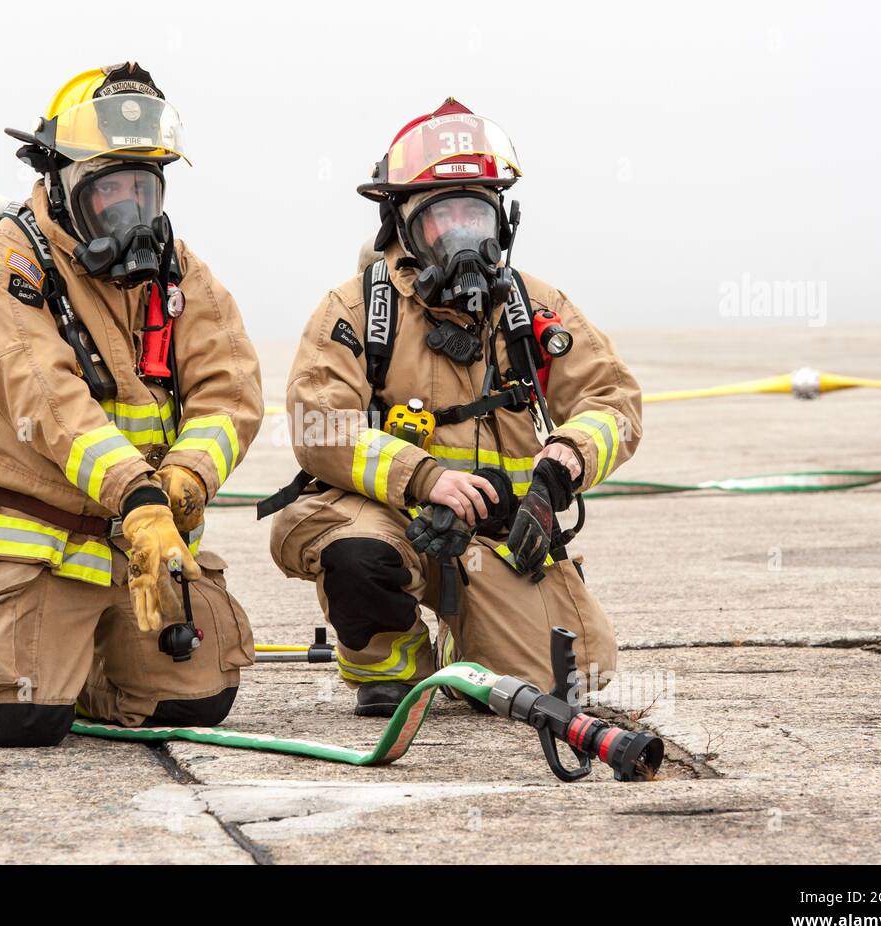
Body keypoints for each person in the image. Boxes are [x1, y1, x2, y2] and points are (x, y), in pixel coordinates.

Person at [0, 62, 262, 745]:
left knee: (195, 700)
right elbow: (49, 399)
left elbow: (230, 390)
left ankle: (80, 669)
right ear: (61, 184)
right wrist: (137, 497)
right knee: (18, 716)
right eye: (111, 192)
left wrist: (188, 478)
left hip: (140, 551)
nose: (131, 212)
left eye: (144, 189)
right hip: (38, 552)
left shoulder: (181, 274)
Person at [262, 98, 641, 716]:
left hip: (499, 537)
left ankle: (488, 626)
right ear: (403, 225)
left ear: (502, 223)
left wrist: (569, 458)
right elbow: (317, 426)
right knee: (353, 554)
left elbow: (613, 400)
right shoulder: (355, 311)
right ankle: (394, 666)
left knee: (567, 682)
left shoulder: (535, 307)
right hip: (396, 523)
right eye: (443, 217)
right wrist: (425, 479)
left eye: (476, 214)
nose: (462, 235)